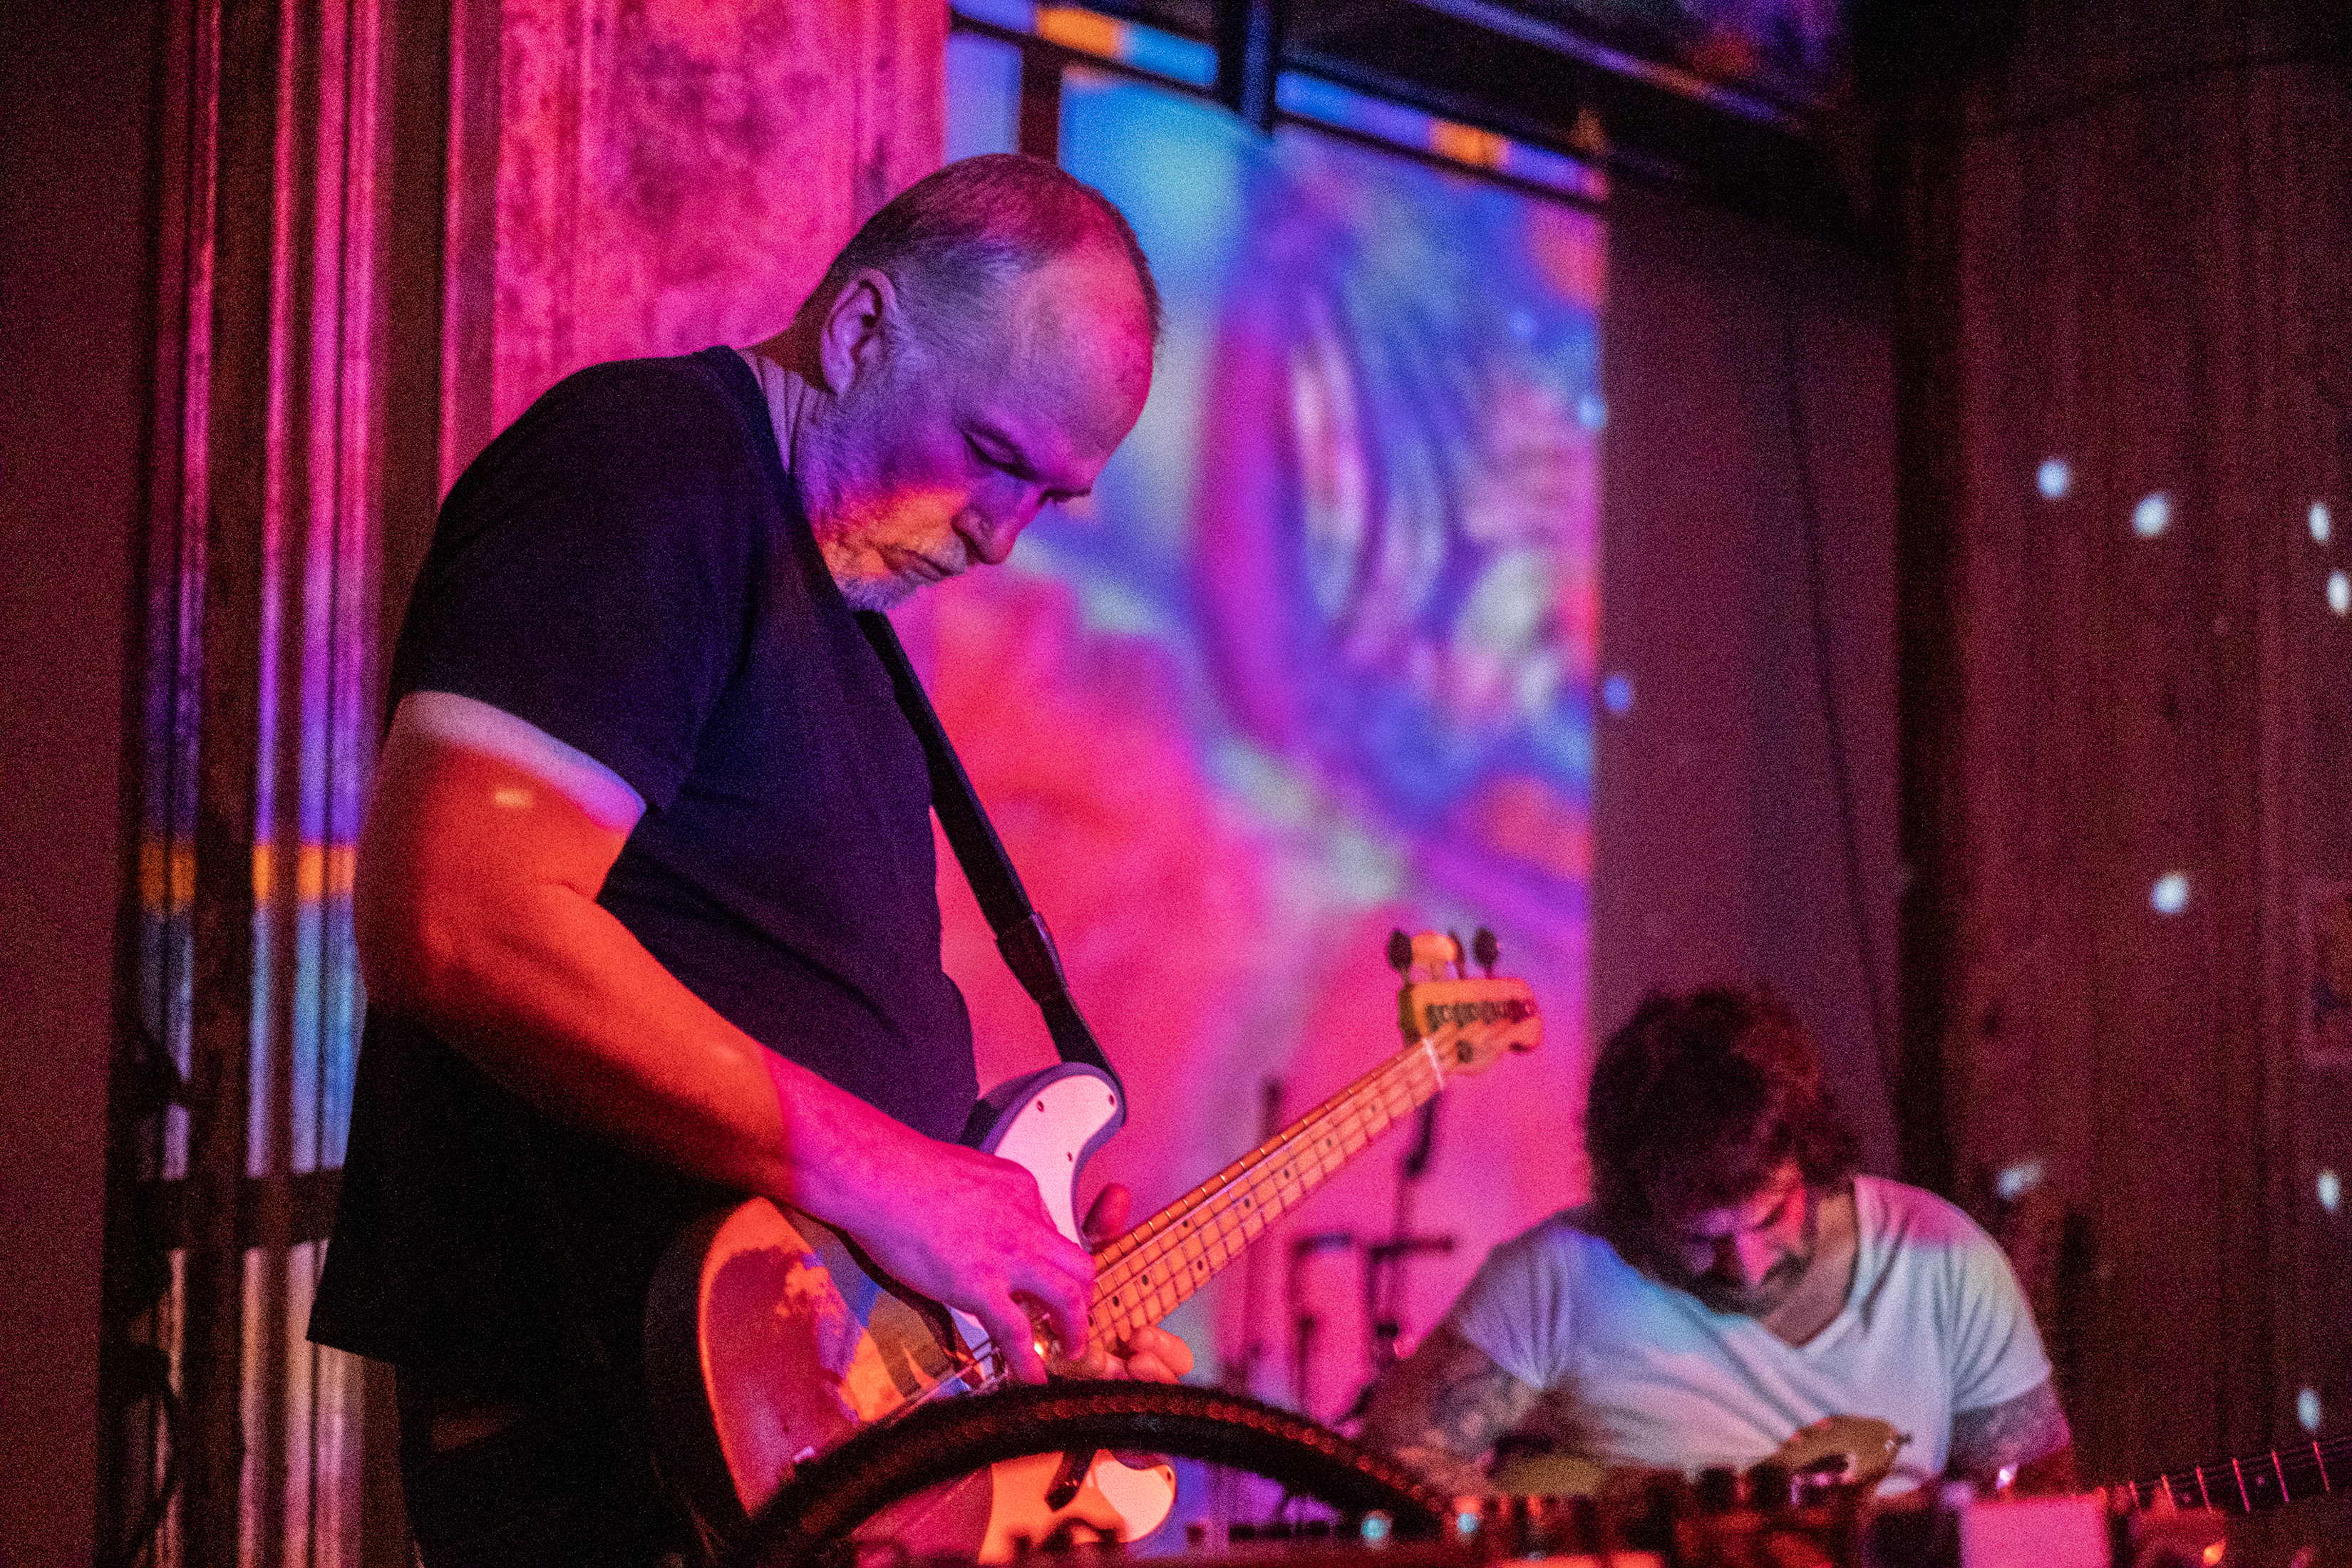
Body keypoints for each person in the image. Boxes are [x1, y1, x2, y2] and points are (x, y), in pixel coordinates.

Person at [309, 154, 1190, 1567]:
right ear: (859, 330)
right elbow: (462, 916)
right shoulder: (647, 466)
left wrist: (994, 1284)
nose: (1002, 535)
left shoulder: (839, 622)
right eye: (996, 456)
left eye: (1052, 500)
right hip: (621, 1449)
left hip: (794, 1444)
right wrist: (904, 1180)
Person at [1360, 984, 2073, 1497]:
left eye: (1770, 1217)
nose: (1746, 1264)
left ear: (1814, 1157)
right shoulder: (1558, 1273)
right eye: (1699, 1237)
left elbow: (2043, 1509)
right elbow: (1392, 1464)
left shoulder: (1942, 1259)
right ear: (1633, 1201)